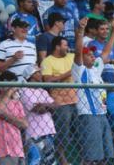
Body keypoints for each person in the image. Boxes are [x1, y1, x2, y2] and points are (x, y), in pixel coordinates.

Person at [72, 15, 114, 164]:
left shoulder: (96, 69)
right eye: (89, 55)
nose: (92, 56)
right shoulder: (79, 70)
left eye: (92, 54)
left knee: (105, 154)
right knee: (91, 156)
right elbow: (78, 52)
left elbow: (105, 53)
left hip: (102, 114)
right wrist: (81, 31)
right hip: (89, 115)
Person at [41, 35, 78, 165]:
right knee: (63, 132)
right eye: (65, 45)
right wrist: (65, 75)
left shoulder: (72, 57)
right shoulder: (47, 61)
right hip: (60, 103)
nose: (67, 47)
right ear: (57, 46)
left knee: (80, 131)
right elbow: (47, 81)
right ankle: (62, 159)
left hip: (77, 100)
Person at [0, 71, 28, 164]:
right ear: (1, 86)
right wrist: (8, 93)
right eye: (10, 85)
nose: (13, 89)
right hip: (3, 151)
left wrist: (4, 116)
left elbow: (24, 124)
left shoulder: (17, 103)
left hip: (18, 150)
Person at [20, 65, 57, 165]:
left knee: (50, 161)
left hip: (48, 131)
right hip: (33, 133)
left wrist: (44, 105)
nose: (41, 75)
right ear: (31, 75)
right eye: (38, 73)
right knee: (36, 161)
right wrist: (47, 105)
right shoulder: (24, 91)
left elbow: (55, 106)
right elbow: (38, 110)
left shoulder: (43, 90)